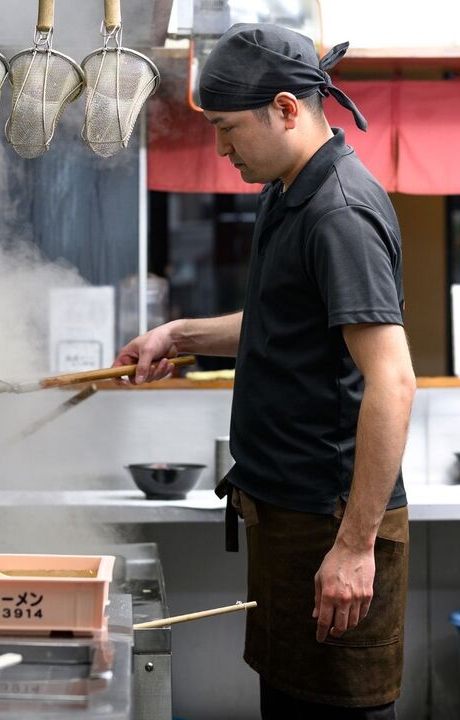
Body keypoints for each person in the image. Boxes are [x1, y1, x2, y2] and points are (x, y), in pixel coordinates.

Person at [115, 24, 415, 719]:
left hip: (331, 524)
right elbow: (288, 319)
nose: (219, 149)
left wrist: (354, 546)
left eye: (227, 129)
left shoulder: (339, 210)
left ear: (285, 108)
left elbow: (392, 381)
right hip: (290, 521)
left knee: (337, 710)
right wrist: (181, 333)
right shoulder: (289, 191)